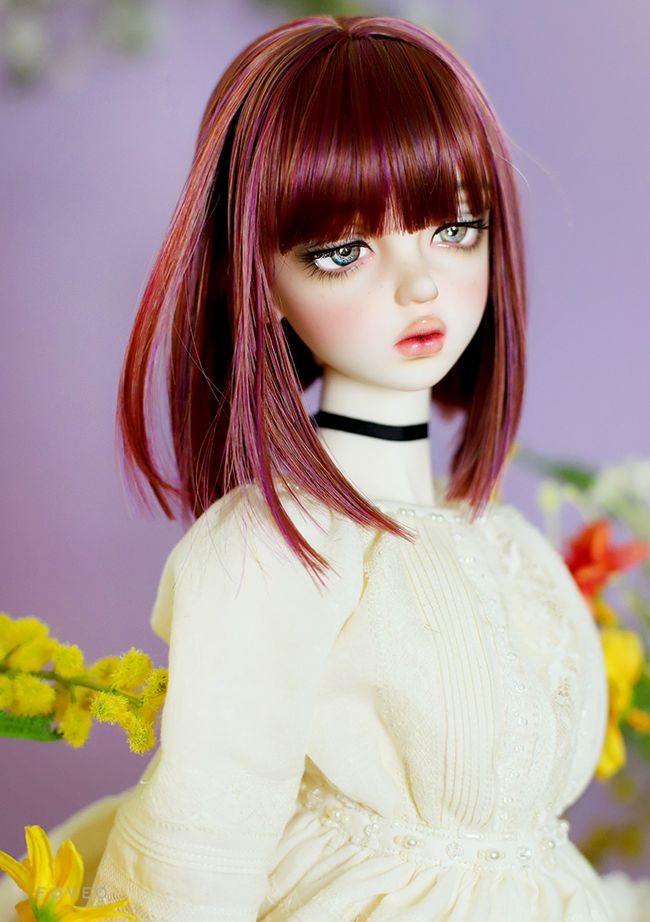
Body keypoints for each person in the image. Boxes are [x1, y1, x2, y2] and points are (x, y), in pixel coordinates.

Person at [1, 13, 649, 922]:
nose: (418, 285)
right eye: (344, 251)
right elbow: (205, 837)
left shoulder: (502, 540)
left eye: (456, 229)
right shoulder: (279, 545)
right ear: (260, 277)